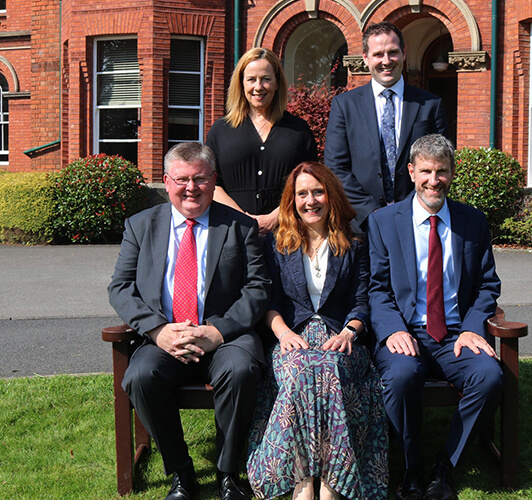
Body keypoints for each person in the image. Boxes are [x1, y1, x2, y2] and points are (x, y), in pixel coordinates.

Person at [108, 142, 271, 500]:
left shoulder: (240, 226)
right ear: (167, 182)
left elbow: (258, 288)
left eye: (199, 178)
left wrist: (217, 331)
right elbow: (120, 287)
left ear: (214, 181)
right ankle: (181, 472)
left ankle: (229, 472)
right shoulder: (141, 226)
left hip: (225, 337)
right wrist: (157, 330)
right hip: (164, 336)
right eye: (182, 179)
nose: (191, 188)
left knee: (241, 370)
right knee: (139, 377)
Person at [367, 134, 503, 500]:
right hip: (406, 332)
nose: (433, 180)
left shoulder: (472, 221)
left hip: (457, 334)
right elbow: (377, 288)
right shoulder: (383, 221)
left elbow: (488, 285)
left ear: (452, 173)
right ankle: (411, 469)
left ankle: (444, 467)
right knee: (399, 378)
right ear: (411, 172)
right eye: (426, 170)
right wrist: (393, 329)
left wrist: (474, 328)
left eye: (441, 171)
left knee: (490, 377)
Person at [246, 162, 388, 500]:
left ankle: (326, 482)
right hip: (291, 335)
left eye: (318, 192)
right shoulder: (276, 244)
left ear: (331, 195)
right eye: (302, 194)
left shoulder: (355, 243)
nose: (311, 201)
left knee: (328, 368)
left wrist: (349, 332)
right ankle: (307, 479)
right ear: (291, 200)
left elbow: (361, 300)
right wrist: (281, 334)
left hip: (341, 338)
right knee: (300, 370)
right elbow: (269, 300)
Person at [324, 21, 449, 232]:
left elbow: (440, 163)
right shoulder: (344, 105)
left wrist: (407, 210)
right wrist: (371, 212)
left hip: (415, 222)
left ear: (404, 53)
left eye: (392, 52)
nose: (386, 61)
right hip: (360, 225)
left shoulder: (430, 105)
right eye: (378, 54)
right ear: (365, 58)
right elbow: (335, 167)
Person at [205, 47, 317, 236]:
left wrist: (276, 217)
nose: (258, 87)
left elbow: (311, 183)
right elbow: (211, 183)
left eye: (266, 79)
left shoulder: (299, 130)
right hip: (231, 233)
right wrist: (243, 220)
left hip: (287, 233)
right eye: (251, 79)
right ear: (241, 84)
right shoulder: (220, 130)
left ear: (277, 83)